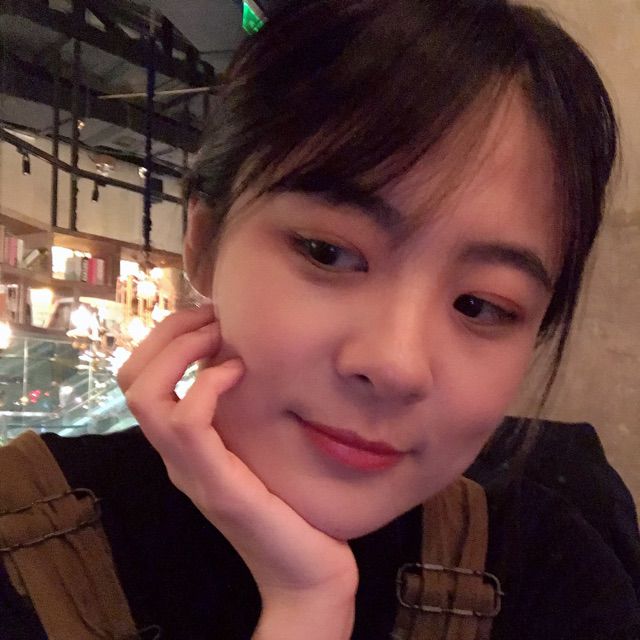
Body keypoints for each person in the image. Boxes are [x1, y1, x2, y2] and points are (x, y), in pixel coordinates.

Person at [1, 1, 639, 638]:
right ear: (204, 243)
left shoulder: (553, 576)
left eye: (480, 306)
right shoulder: (18, 540)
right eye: (328, 253)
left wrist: (308, 599)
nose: (395, 365)